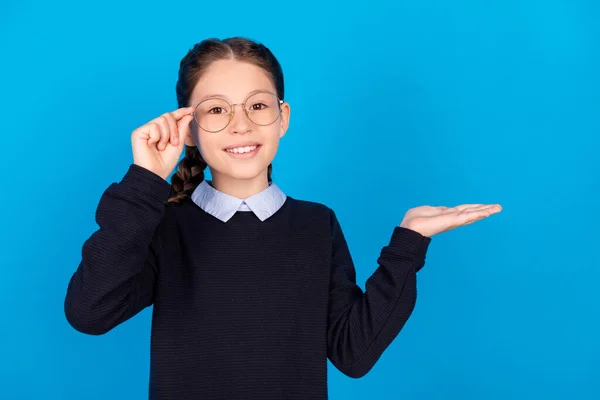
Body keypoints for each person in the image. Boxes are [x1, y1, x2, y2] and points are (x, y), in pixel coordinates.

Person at [64, 36, 502, 399]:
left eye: (257, 106)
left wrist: (409, 242)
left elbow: (353, 354)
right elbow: (90, 313)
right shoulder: (161, 225)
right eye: (217, 110)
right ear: (189, 129)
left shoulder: (317, 225)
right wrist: (145, 180)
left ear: (282, 118)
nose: (241, 125)